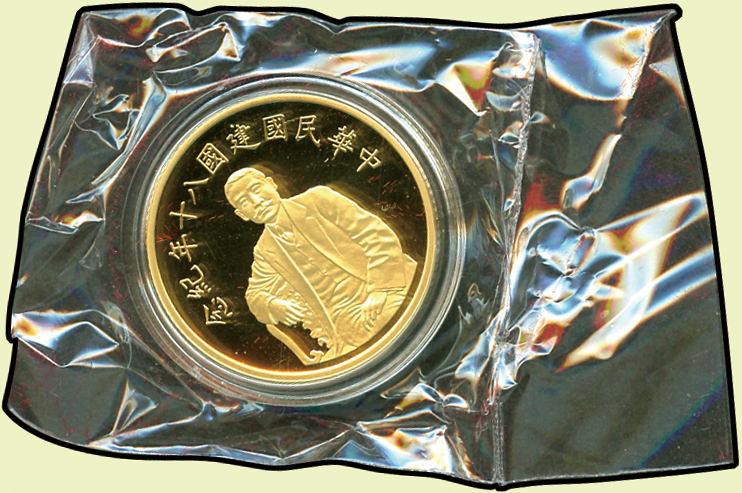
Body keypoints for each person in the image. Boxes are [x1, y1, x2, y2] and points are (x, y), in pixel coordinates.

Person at [224, 167, 417, 364]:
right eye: (244, 202)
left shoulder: (318, 200)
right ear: (242, 215)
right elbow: (254, 295)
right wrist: (272, 305)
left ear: (271, 184)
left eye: (256, 189)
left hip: (386, 289)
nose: (256, 202)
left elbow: (376, 235)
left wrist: (379, 290)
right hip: (344, 321)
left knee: (402, 324)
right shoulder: (264, 250)